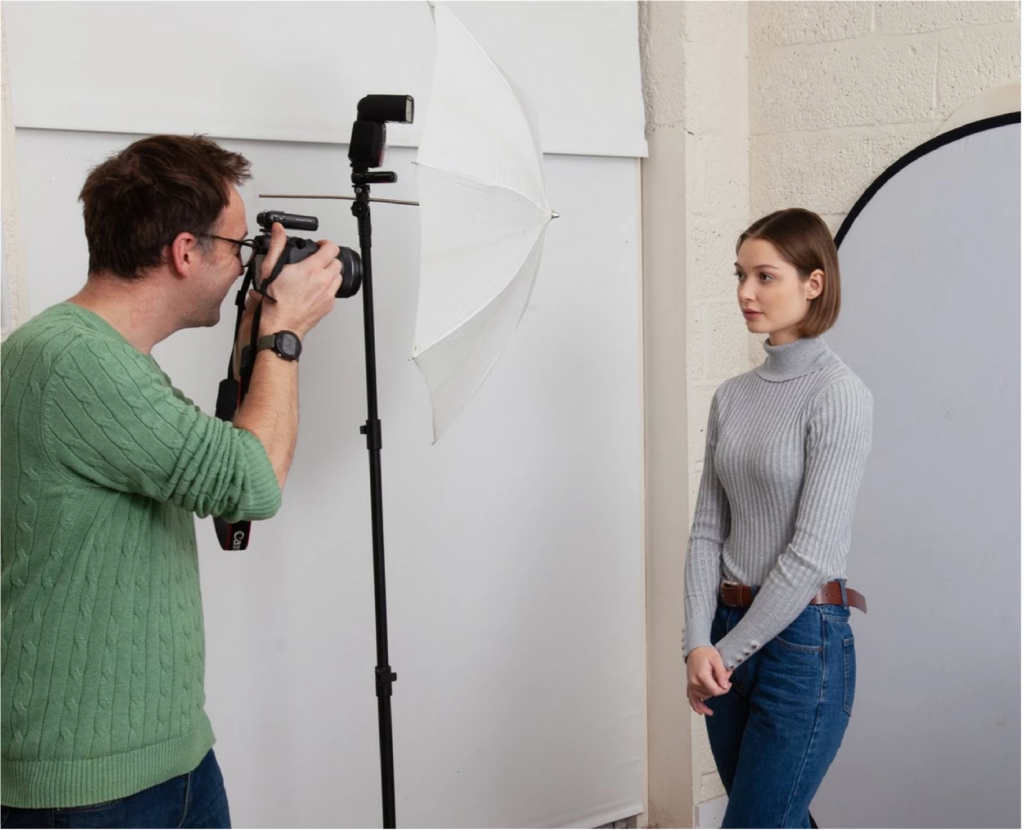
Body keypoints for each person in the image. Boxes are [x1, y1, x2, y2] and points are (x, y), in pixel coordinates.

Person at [0, 135, 343, 827]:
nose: (252, 266)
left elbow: (222, 459)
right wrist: (285, 332)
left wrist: (257, 327)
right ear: (187, 253)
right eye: (241, 247)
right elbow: (252, 481)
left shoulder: (106, 358)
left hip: (167, 759)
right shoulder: (72, 362)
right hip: (90, 785)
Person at [683, 208, 873, 829]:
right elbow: (707, 529)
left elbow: (812, 553)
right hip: (725, 629)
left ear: (812, 283)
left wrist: (726, 655)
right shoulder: (732, 396)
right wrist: (697, 643)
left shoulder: (838, 394)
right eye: (740, 275)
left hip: (803, 644)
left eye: (765, 276)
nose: (745, 293)